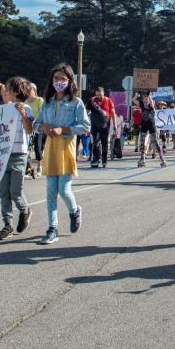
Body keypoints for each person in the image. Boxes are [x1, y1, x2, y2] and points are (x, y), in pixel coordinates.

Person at [35, 64, 90, 244]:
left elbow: (85, 126)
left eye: (63, 79)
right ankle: (52, 228)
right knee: (50, 192)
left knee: (64, 190)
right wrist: (44, 127)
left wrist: (64, 129)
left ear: (69, 81)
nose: (59, 82)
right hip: (50, 149)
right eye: (56, 78)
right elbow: (37, 124)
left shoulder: (76, 102)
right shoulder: (47, 102)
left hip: (66, 148)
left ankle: (74, 211)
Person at [0, 77, 36, 240]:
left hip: (19, 155)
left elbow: (29, 130)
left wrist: (24, 114)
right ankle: (7, 223)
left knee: (15, 192)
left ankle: (25, 210)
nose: (5, 91)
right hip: (3, 155)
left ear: (16, 92)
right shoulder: (2, 109)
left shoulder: (25, 108)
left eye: (7, 88)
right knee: (3, 192)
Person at [136, 92, 165, 168]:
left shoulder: (152, 104)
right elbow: (134, 100)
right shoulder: (142, 104)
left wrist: (149, 97)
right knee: (142, 142)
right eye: (144, 97)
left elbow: (152, 104)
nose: (145, 98)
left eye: (147, 97)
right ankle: (142, 158)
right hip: (144, 125)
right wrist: (136, 95)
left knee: (155, 142)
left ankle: (162, 158)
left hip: (151, 125)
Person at [88, 86, 114, 169]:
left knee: (104, 143)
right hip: (94, 125)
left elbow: (112, 112)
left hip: (105, 125)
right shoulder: (92, 100)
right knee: (95, 143)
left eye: (100, 95)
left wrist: (115, 124)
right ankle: (95, 159)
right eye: (97, 95)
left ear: (103, 94)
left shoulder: (108, 100)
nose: (99, 97)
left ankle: (104, 160)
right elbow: (87, 111)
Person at [27, 84, 45, 178]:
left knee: (38, 147)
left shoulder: (39, 100)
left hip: (38, 126)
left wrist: (36, 121)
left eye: (30, 89)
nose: (28, 91)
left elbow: (42, 112)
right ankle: (28, 168)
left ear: (34, 90)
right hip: (28, 126)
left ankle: (39, 167)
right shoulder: (25, 101)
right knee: (27, 148)